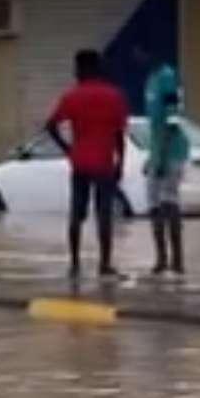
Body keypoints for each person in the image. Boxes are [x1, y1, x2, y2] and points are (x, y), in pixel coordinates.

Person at [46, 50, 129, 280]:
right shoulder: (114, 96)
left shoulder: (72, 97)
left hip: (80, 162)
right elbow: (119, 134)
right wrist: (120, 162)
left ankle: (74, 263)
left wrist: (68, 149)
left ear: (82, 69)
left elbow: (51, 125)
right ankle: (105, 264)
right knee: (104, 214)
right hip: (104, 162)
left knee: (76, 213)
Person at [144, 60, 190, 276]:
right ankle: (161, 258)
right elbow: (155, 125)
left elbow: (173, 120)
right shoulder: (151, 80)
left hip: (172, 152)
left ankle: (177, 260)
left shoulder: (167, 78)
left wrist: (161, 156)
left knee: (169, 201)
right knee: (153, 204)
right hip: (157, 151)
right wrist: (152, 157)